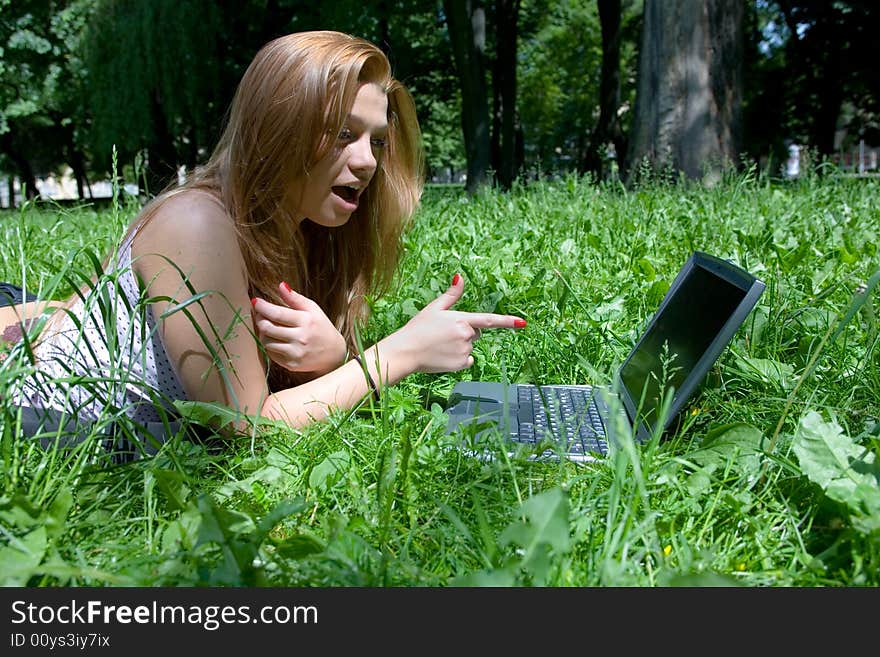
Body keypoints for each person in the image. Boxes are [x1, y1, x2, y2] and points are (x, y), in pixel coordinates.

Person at [1, 30, 526, 455]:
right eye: (343, 133)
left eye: (378, 140)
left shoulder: (312, 234)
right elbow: (247, 425)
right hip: (35, 415)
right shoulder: (198, 223)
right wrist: (399, 352)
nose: (368, 161)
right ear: (280, 127)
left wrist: (334, 357)